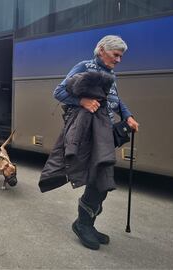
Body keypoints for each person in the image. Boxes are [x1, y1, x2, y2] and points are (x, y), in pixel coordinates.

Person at [39, 35, 139, 250]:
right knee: (98, 177)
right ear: (102, 50)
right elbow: (58, 92)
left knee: (102, 178)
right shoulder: (84, 66)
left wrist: (127, 116)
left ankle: (87, 223)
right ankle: (83, 224)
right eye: (116, 55)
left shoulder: (111, 74)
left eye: (121, 56)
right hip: (88, 132)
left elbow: (115, 100)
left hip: (105, 131)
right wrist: (82, 101)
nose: (119, 60)